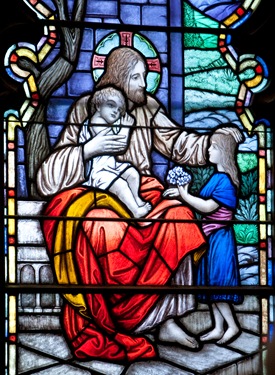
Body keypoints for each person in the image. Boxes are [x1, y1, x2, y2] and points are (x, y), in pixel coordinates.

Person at [37, 46, 243, 362]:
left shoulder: (146, 108)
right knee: (104, 227)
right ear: (119, 77)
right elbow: (48, 178)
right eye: (137, 78)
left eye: (145, 77)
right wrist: (90, 149)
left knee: (180, 216)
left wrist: (215, 143)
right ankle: (113, 317)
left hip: (141, 193)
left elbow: (177, 143)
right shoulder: (85, 109)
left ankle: (166, 319)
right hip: (95, 193)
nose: (143, 85)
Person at [163, 127, 244, 345]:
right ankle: (218, 327)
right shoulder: (216, 177)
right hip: (209, 238)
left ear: (224, 152)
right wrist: (180, 196)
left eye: (213, 147)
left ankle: (233, 326)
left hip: (220, 238)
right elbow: (199, 201)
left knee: (218, 284)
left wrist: (184, 195)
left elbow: (207, 207)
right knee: (209, 284)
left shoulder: (225, 180)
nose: (208, 151)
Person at [81, 86, 151, 218]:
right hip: (98, 173)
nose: (115, 111)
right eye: (111, 105)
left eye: (119, 110)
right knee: (121, 184)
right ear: (98, 106)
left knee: (133, 174)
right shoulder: (95, 122)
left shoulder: (106, 122)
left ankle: (136, 199)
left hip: (111, 166)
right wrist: (125, 128)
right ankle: (135, 211)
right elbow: (118, 145)